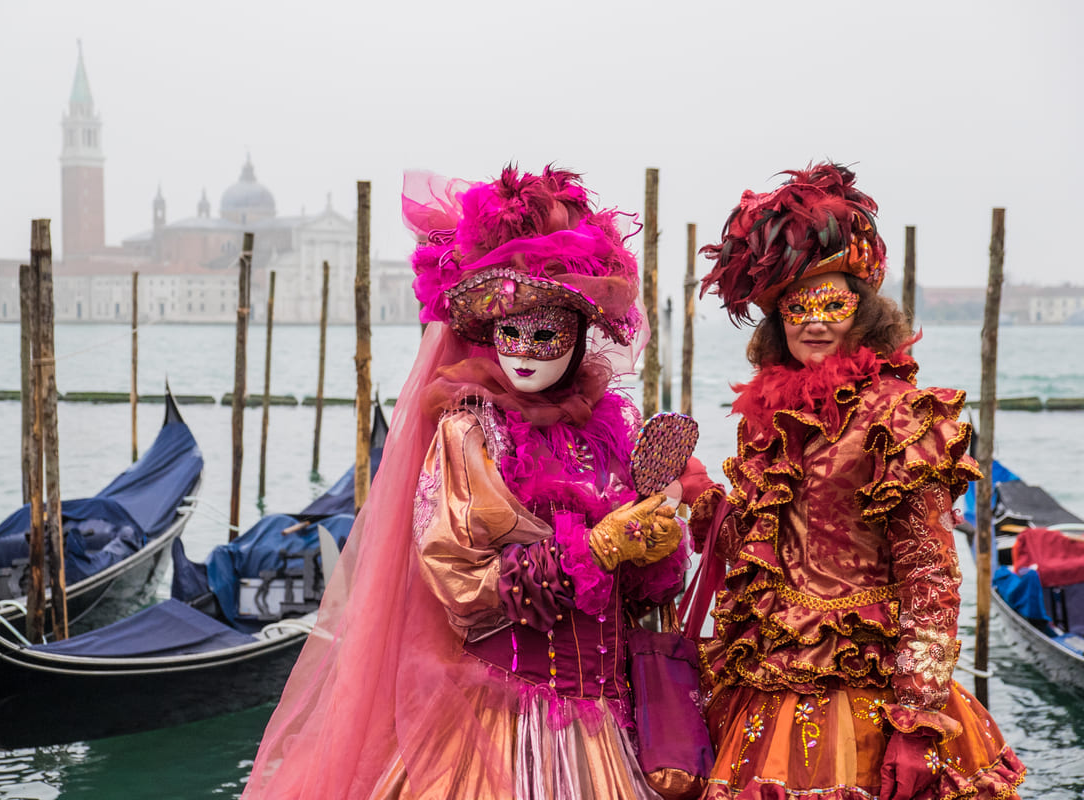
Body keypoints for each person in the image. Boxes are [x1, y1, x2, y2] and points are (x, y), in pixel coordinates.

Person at [243, 165, 689, 799]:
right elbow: (458, 582)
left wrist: (659, 545)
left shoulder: (614, 437)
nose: (526, 349)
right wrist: (595, 549)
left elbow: (637, 596)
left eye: (547, 332)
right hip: (499, 724)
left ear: (581, 333)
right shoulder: (472, 434)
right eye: (512, 330)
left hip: (609, 726)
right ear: (488, 331)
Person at [674, 163, 1026, 799]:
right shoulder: (766, 422)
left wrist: (917, 722)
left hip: (870, 691)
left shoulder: (900, 417)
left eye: (830, 303)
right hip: (768, 684)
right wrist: (706, 506)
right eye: (795, 306)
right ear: (775, 318)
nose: (813, 321)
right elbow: (761, 556)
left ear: (862, 311)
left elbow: (931, 576)